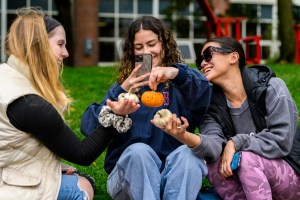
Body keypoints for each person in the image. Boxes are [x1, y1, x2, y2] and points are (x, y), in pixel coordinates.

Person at [0, 7, 138, 200]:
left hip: (7, 170)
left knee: (75, 177)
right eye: (60, 44)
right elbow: (82, 154)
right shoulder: (30, 104)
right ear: (39, 45)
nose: (65, 53)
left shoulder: (6, 76)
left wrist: (60, 169)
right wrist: (117, 114)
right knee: (83, 186)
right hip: (8, 190)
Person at [80, 16, 212, 200]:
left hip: (172, 177)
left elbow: (206, 93)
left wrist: (175, 73)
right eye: (139, 47)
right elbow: (88, 126)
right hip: (127, 180)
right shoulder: (125, 89)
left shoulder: (180, 84)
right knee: (139, 151)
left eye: (152, 44)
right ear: (131, 51)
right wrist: (122, 89)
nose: (147, 52)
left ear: (164, 45)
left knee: (189, 154)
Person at [158, 36, 300, 200]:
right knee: (212, 165)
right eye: (200, 60)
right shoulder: (210, 105)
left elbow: (281, 139)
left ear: (233, 57)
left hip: (290, 178)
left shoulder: (270, 87)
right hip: (249, 183)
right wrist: (183, 135)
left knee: (245, 159)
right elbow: (214, 146)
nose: (203, 63)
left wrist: (236, 142)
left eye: (208, 55)